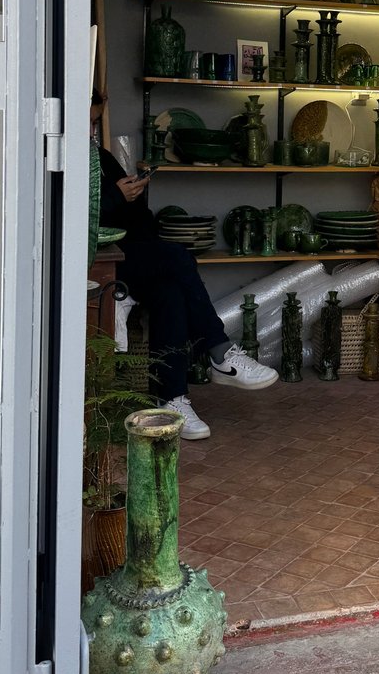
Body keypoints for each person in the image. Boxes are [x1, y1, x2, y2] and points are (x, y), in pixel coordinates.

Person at [93, 109, 277, 440]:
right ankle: (220, 351)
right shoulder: (56, 158)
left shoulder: (102, 157)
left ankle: (171, 400)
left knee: (170, 292)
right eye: (86, 120)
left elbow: (136, 219)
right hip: (90, 258)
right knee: (178, 257)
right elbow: (68, 212)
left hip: (127, 252)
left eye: (94, 121)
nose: (92, 129)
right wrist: (114, 197)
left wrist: (133, 196)